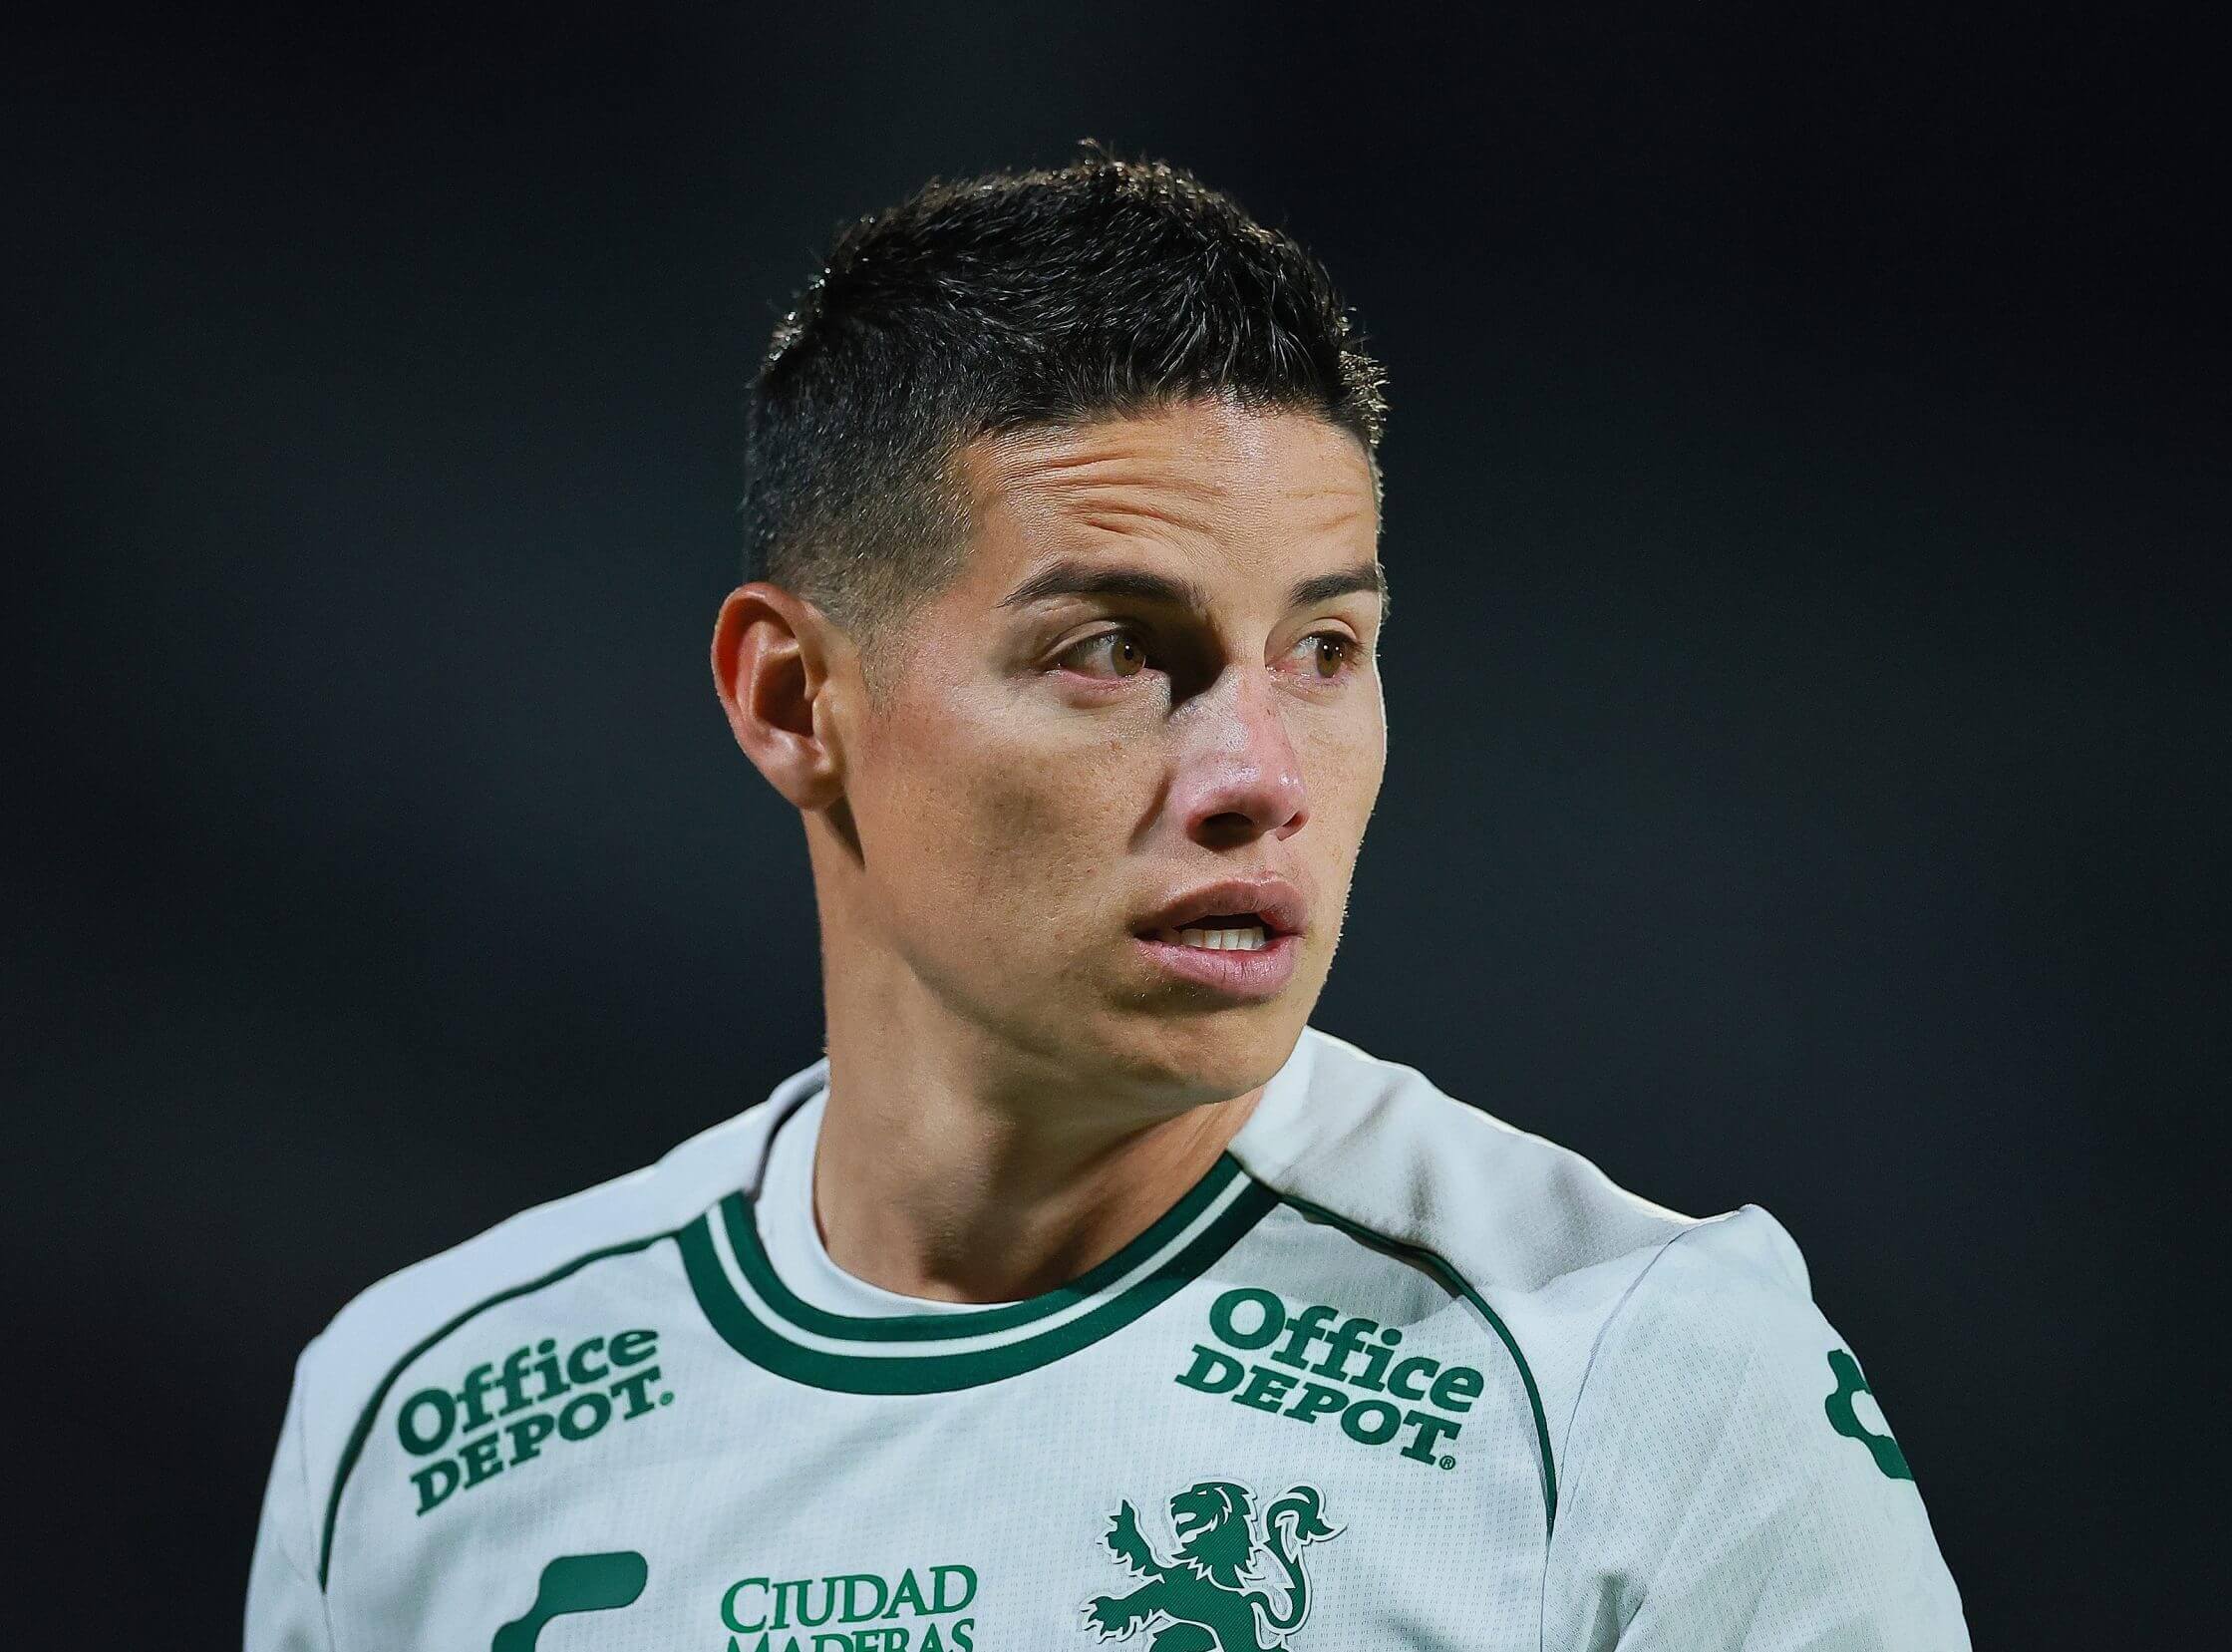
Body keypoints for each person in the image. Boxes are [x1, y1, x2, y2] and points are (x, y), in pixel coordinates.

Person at [246, 153, 1970, 1650]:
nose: (1258, 774)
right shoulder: (418, 1425)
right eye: (1114, 650)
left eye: (1324, 649)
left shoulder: (1641, 1378)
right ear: (793, 700)